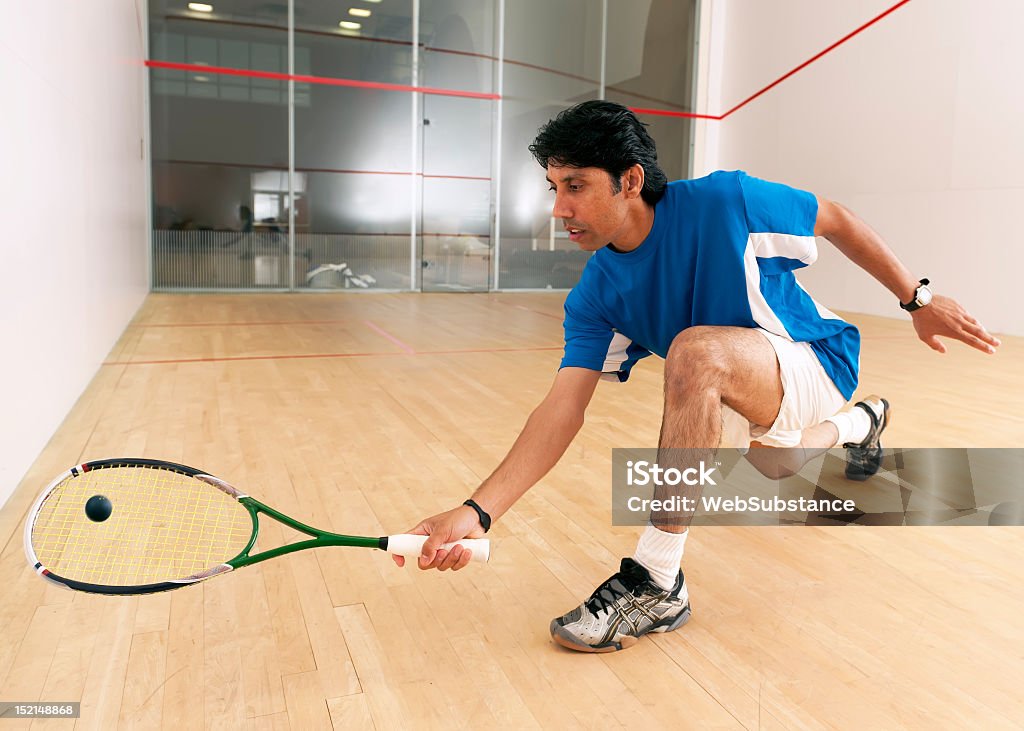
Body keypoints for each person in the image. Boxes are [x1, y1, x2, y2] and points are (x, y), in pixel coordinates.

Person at [391, 100, 1000, 653]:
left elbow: (834, 217)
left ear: (630, 180)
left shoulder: (724, 202)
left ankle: (658, 580)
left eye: (574, 186)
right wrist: (476, 511)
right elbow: (560, 409)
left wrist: (916, 300)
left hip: (814, 357)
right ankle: (864, 420)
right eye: (553, 187)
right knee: (775, 469)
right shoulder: (595, 295)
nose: (559, 209)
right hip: (747, 383)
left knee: (693, 351)